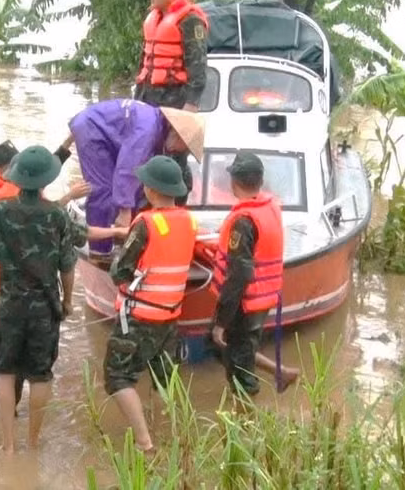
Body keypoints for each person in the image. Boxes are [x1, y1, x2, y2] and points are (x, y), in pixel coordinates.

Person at [0, 139, 92, 417]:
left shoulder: (0, 205)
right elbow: (63, 252)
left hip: (6, 294)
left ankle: (4, 433)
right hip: (10, 292)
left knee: (6, 364)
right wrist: (67, 301)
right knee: (7, 360)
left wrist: (68, 142)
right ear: (3, 169)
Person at [103, 155, 198, 452]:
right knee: (162, 378)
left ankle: (145, 444)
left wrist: (119, 258)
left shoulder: (145, 223)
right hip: (170, 317)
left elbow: (119, 271)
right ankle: (167, 435)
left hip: (139, 317)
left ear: (152, 190)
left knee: (117, 377)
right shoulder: (189, 220)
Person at [209, 151, 300, 396]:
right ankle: (280, 371)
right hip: (262, 298)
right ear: (260, 181)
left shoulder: (244, 220)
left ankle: (246, 419)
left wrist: (221, 321)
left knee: (239, 367)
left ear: (234, 182)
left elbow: (238, 275)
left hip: (244, 304)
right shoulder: (269, 206)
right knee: (236, 347)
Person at [64, 99, 205, 257]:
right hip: (92, 129)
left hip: (107, 133)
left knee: (136, 187)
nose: (180, 152)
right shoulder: (147, 130)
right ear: (179, 137)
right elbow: (127, 169)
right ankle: (99, 250)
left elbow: (139, 176)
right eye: (185, 148)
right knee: (103, 190)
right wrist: (125, 210)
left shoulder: (157, 128)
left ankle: (123, 239)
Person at [134, 0, 209, 113]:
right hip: (147, 98)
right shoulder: (152, 18)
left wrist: (191, 103)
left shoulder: (190, 20)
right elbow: (145, 61)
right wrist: (137, 98)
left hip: (174, 101)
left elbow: (198, 66)